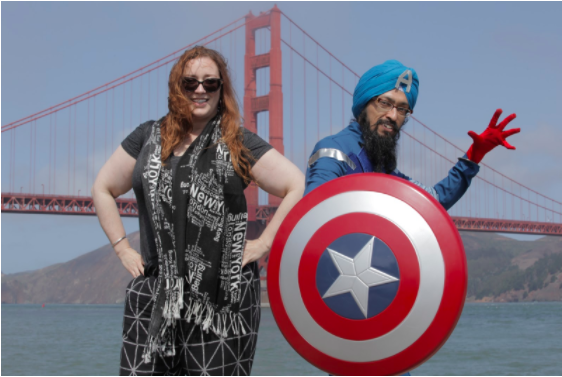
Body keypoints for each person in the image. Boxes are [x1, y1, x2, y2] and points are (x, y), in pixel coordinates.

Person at [92, 46, 305, 376]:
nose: (201, 90)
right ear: (177, 87)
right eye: (190, 83)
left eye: (211, 83)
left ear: (222, 89)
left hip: (222, 299)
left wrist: (263, 245)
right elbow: (102, 188)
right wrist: (122, 248)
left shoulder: (239, 142)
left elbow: (296, 185)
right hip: (155, 289)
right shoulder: (146, 137)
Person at [305, 59, 520, 209]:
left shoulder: (386, 171)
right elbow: (313, 212)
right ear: (364, 105)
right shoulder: (333, 151)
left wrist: (474, 156)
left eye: (402, 109)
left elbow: (434, 199)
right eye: (384, 103)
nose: (392, 115)